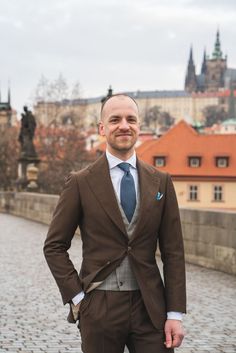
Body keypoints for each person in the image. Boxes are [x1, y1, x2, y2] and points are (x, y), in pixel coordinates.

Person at [44, 94, 186, 353]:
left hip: (150, 307)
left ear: (139, 127)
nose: (124, 125)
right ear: (102, 128)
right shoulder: (80, 182)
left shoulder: (161, 182)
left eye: (131, 119)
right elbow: (54, 246)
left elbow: (174, 252)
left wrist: (174, 313)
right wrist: (78, 299)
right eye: (115, 120)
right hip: (99, 306)